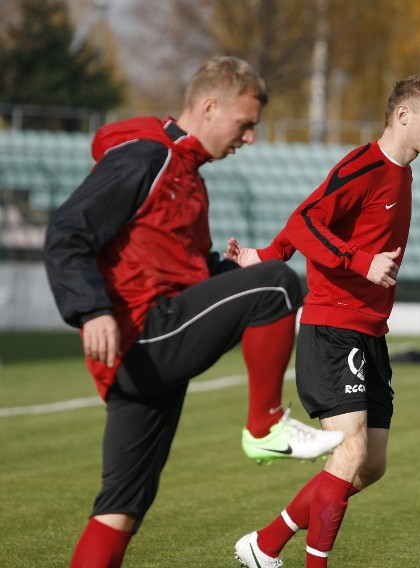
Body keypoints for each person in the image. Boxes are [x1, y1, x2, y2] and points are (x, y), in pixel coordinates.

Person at [43, 56, 344, 568]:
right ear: (209, 107)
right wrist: (91, 310)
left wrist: (226, 271)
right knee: (277, 287)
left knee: (121, 509)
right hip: (141, 332)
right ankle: (264, 428)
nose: (249, 139)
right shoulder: (143, 157)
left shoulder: (187, 175)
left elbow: (178, 270)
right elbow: (67, 233)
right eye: (244, 124)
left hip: (144, 352)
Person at [225, 74, 420, 567]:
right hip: (333, 328)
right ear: (403, 116)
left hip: (370, 332)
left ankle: (264, 545)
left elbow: (304, 219)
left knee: (369, 467)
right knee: (348, 455)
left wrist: (266, 254)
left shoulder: (401, 173)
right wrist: (358, 259)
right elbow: (307, 219)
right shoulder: (364, 165)